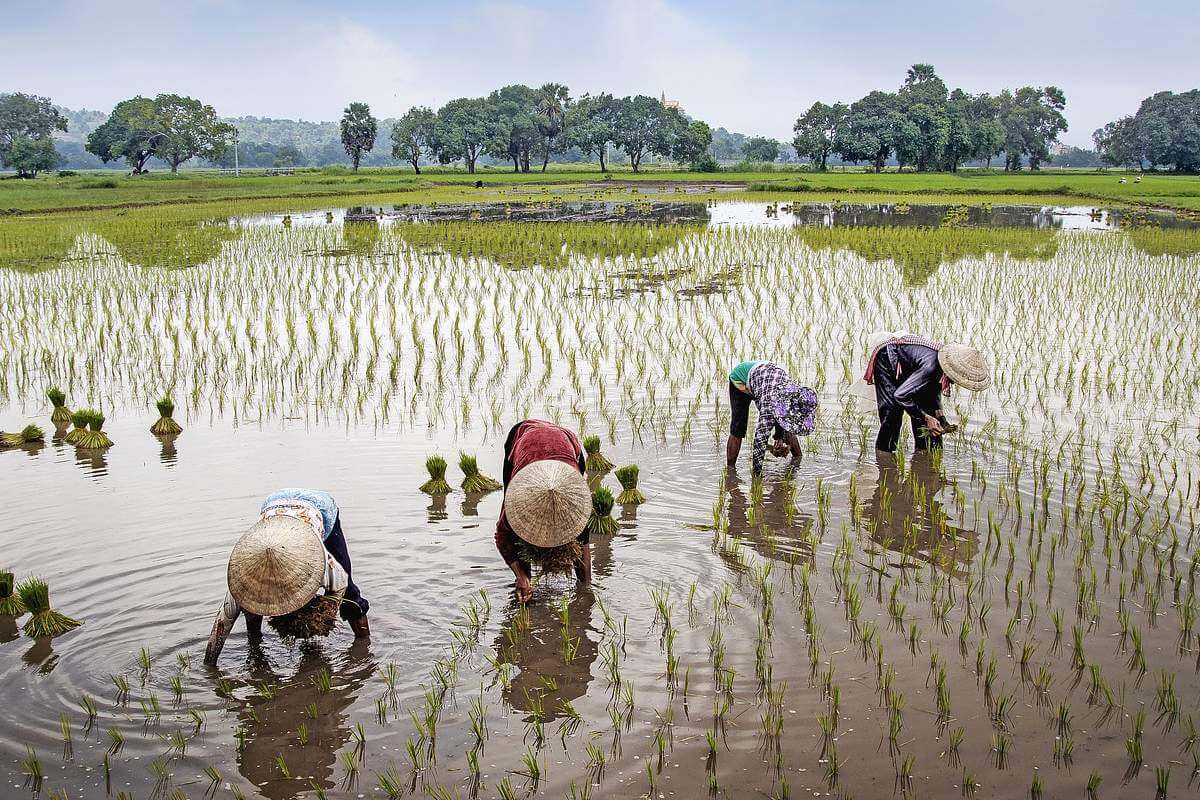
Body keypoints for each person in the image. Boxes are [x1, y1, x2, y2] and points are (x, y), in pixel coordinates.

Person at [203, 488, 369, 665]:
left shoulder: (325, 567)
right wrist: (209, 665)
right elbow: (221, 628)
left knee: (351, 597)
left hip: (320, 507)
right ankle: (255, 648)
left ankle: (365, 648)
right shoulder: (242, 583)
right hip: (273, 506)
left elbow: (339, 589)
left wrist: (320, 617)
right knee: (250, 607)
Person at [495, 420, 593, 603]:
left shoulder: (576, 501)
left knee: (578, 530)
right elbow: (502, 537)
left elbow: (583, 540)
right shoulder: (517, 499)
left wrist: (586, 591)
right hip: (523, 437)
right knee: (517, 532)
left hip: (566, 439)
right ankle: (526, 584)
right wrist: (520, 575)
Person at [863, 334, 991, 454]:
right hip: (888, 357)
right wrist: (927, 418)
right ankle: (884, 456)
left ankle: (924, 452)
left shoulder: (940, 368)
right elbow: (900, 395)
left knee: (926, 409)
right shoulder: (931, 367)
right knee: (892, 413)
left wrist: (940, 418)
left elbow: (933, 392)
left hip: (912, 365)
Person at [725, 360, 818, 475]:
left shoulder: (795, 393)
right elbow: (759, 442)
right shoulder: (769, 406)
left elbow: (785, 419)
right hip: (740, 380)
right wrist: (757, 480)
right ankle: (730, 472)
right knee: (738, 428)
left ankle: (797, 463)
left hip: (766, 381)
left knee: (789, 427)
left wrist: (779, 437)